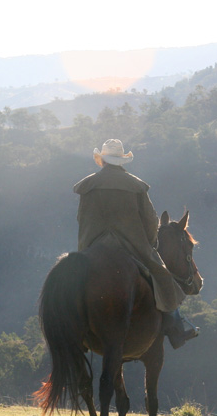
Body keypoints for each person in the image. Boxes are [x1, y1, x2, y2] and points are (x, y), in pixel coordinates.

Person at [73, 138, 198, 349]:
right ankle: (177, 330)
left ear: (102, 160)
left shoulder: (87, 186)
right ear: (121, 161)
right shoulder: (136, 186)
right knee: (163, 277)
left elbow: (81, 218)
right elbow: (150, 221)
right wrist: (150, 244)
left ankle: (71, 332)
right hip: (131, 246)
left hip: (93, 246)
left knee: (72, 280)